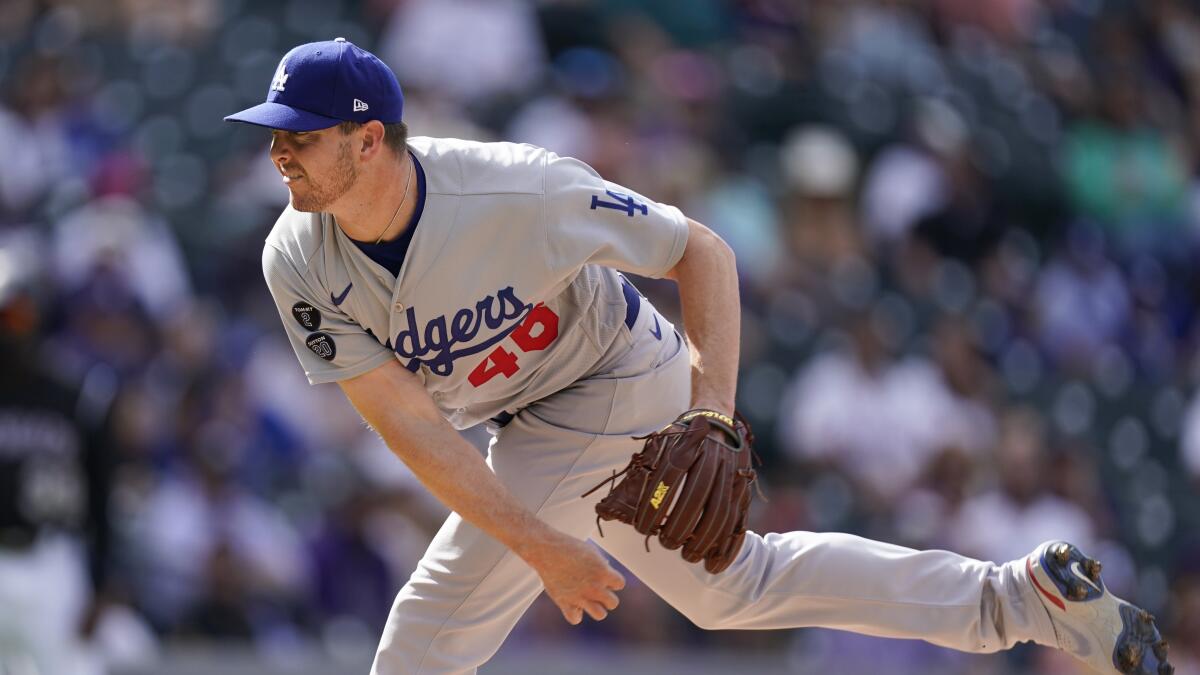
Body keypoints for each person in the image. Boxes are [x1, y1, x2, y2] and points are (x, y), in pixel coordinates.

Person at [225, 38, 1173, 675]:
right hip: (526, 415)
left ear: (371, 137)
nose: (281, 157)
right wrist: (544, 543)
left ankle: (1018, 602)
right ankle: (1021, 598)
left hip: (612, 375)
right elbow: (409, 427)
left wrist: (711, 411)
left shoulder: (517, 191)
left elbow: (702, 251)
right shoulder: (297, 259)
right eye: (275, 139)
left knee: (424, 640)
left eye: (300, 138)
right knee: (735, 589)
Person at [0, 237, 115, 675]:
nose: (11, 327)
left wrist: (101, 580)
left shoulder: (75, 394)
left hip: (50, 559)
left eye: (18, 314)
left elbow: (101, 492)